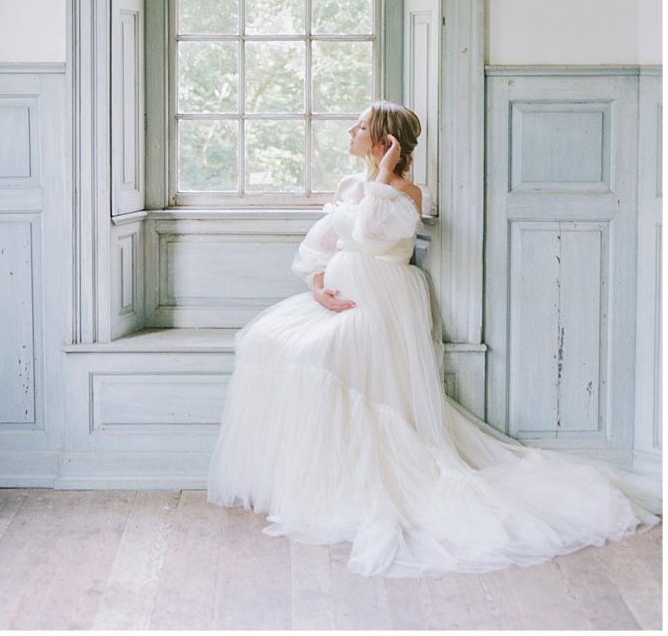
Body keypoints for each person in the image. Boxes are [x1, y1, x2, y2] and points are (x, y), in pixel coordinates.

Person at [207, 101, 661, 578]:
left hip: (381, 301)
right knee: (267, 342)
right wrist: (318, 286)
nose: (349, 131)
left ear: (384, 141)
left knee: (322, 356)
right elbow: (323, 242)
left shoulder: (406, 193)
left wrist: (382, 175)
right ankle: (315, 480)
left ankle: (363, 478)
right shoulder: (351, 186)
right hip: (342, 298)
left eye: (360, 127)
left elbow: (368, 233)